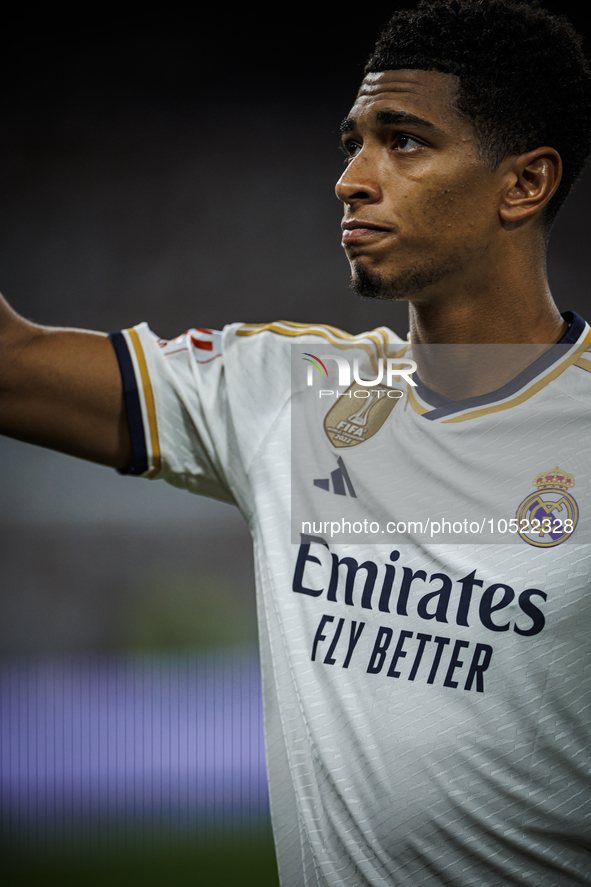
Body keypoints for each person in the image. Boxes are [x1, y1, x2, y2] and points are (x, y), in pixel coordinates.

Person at [2, 0, 591, 883]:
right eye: (352, 142)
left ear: (524, 184)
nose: (351, 178)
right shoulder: (294, 392)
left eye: (403, 141)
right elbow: (14, 367)